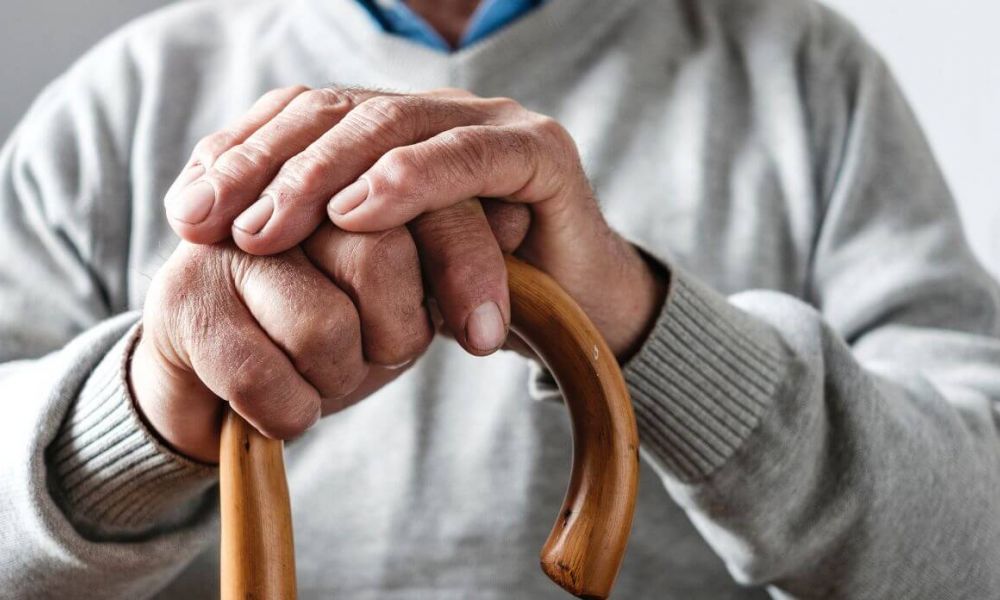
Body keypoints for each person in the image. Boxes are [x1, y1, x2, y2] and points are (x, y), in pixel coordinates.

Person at [1, 0, 998, 597]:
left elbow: (976, 551)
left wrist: (649, 328)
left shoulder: (810, 77)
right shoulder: (122, 101)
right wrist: (134, 417)